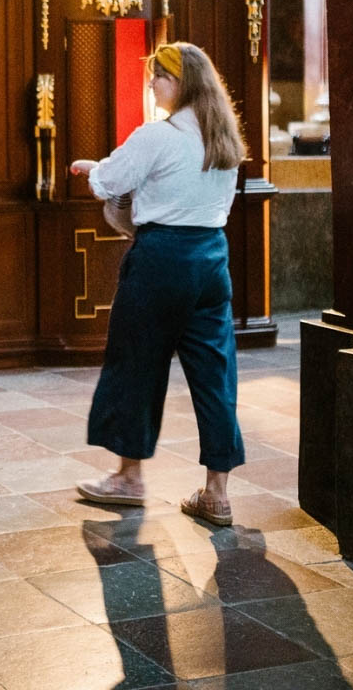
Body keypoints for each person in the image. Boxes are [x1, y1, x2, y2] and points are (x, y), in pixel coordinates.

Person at [69, 41, 247, 526]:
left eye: (159, 76)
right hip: (211, 259)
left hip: (160, 259)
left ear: (181, 82)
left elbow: (109, 184)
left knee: (136, 366)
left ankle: (128, 478)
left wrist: (94, 170)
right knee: (215, 375)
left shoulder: (156, 136)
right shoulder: (224, 141)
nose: (152, 83)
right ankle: (217, 494)